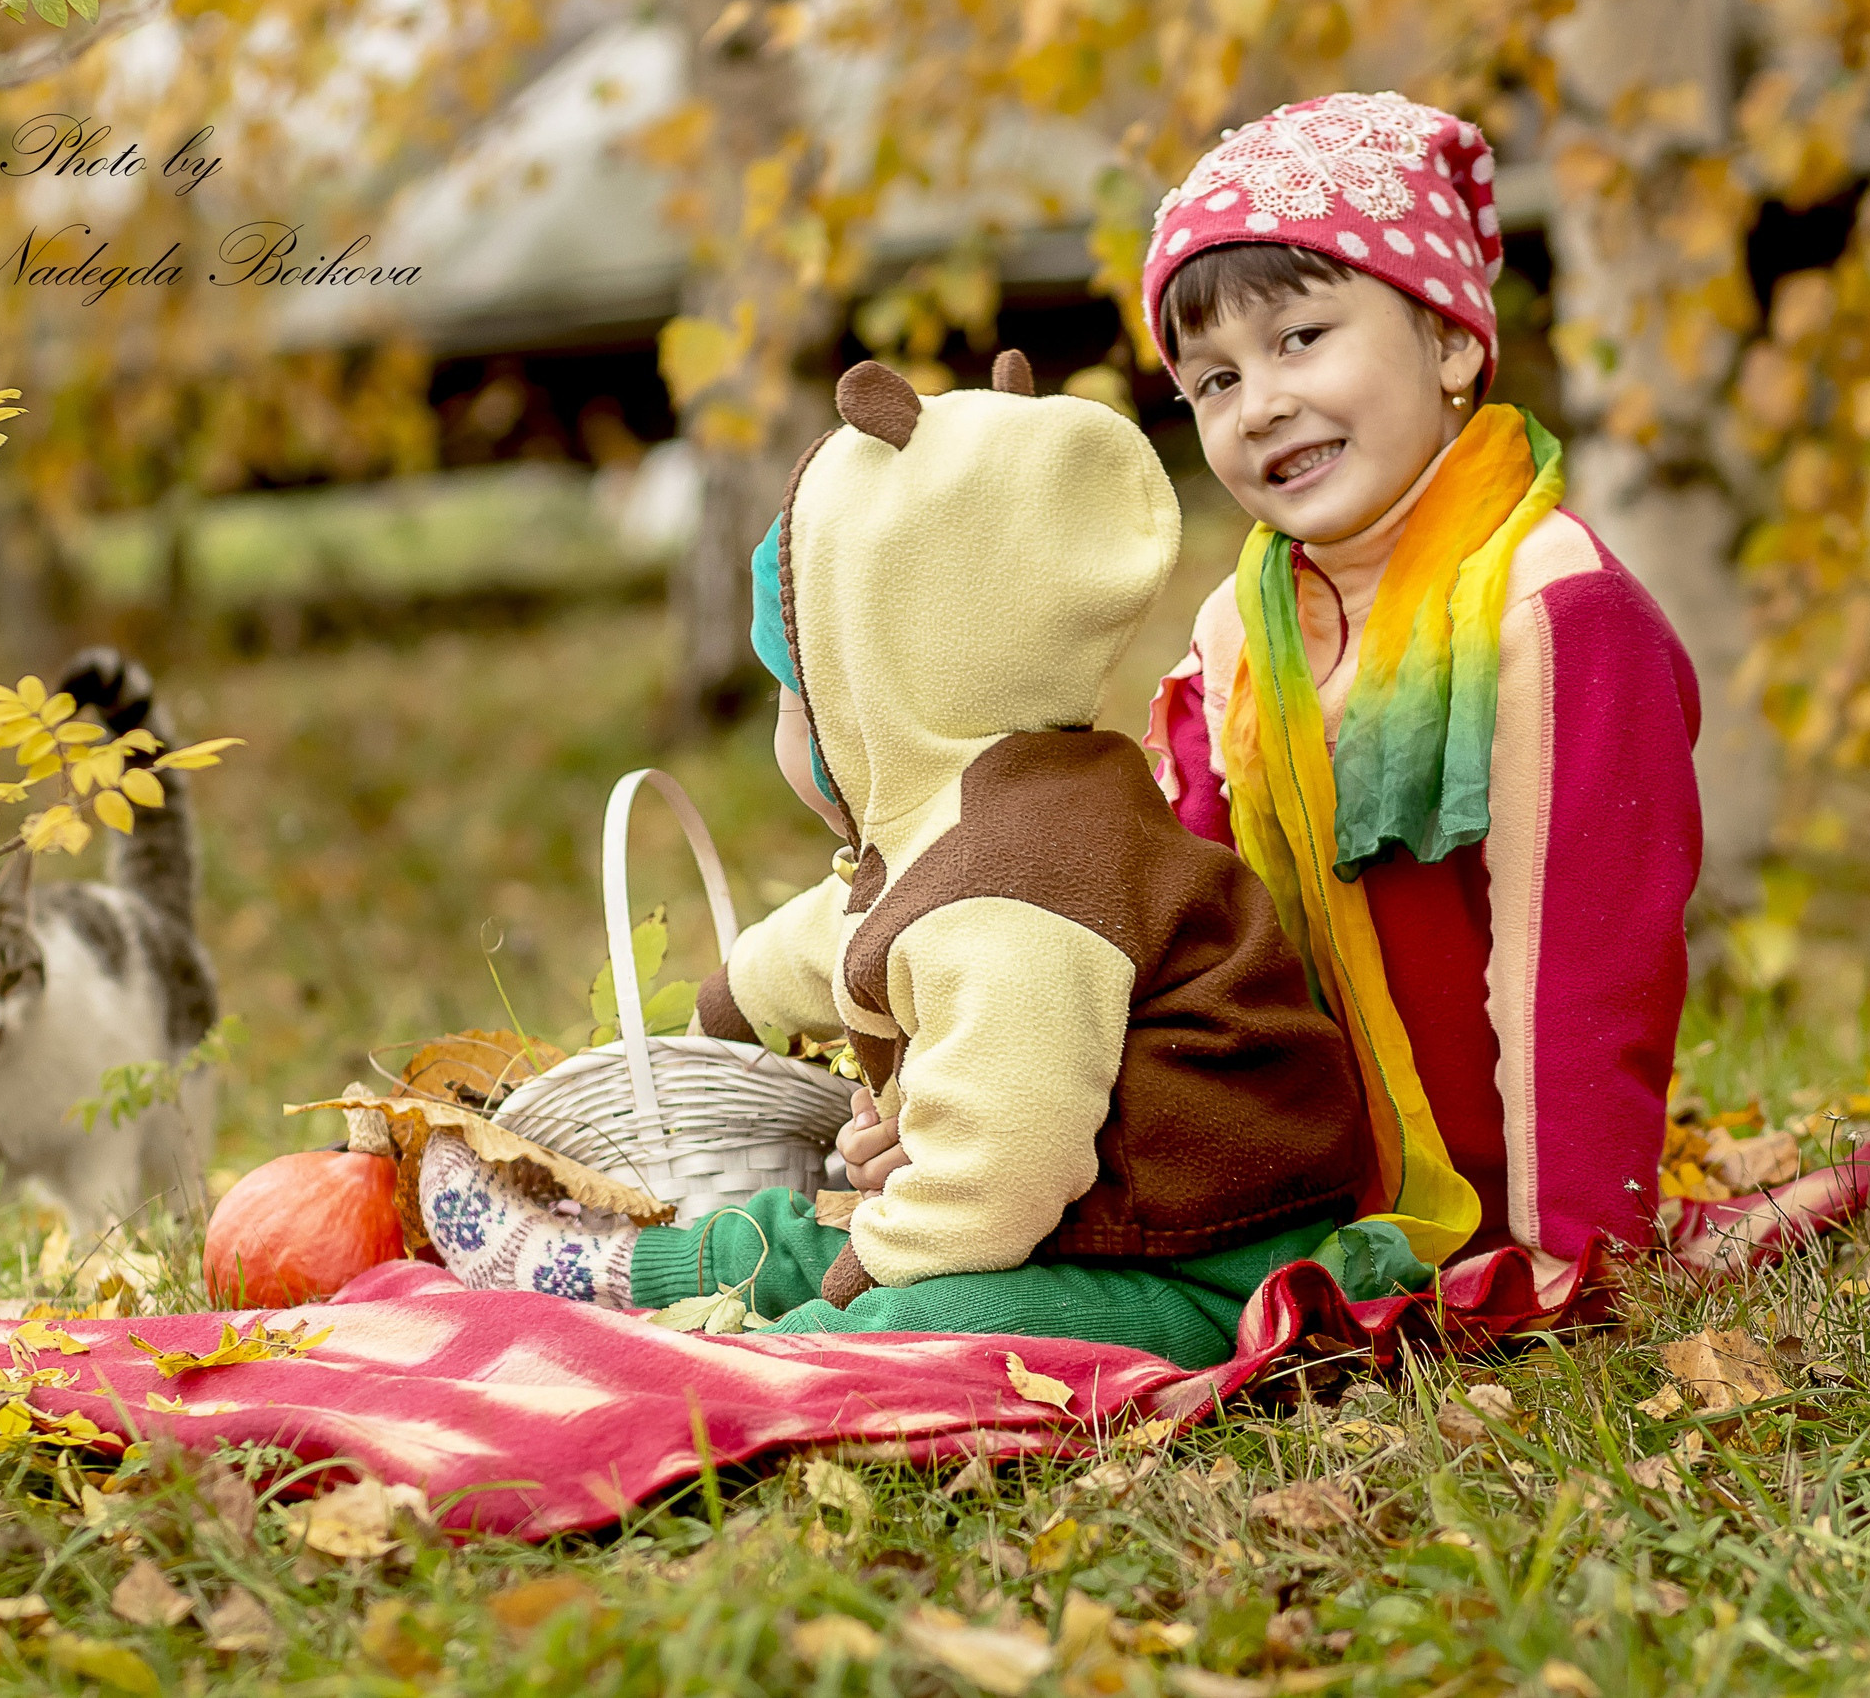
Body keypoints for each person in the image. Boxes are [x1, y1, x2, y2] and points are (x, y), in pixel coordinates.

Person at [415, 350, 1438, 1369]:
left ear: (861, 701)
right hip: (1075, 1221)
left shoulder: (1018, 886)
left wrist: (870, 1269)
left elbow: (1002, 1165)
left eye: (797, 698)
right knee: (828, 1229)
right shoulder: (982, 808)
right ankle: (608, 1268)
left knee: (911, 1320)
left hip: (1190, 1263)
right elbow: (841, 934)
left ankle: (738, 1361)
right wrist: (729, 1014)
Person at [1110, 91, 1702, 1296]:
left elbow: (1588, 974)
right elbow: (1204, 943)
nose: (1259, 402)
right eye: (1212, 381)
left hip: (1512, 1204)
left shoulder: (1550, 605)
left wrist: (1569, 1257)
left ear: (1448, 343)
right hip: (1306, 1192)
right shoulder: (1239, 628)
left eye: (1299, 339)